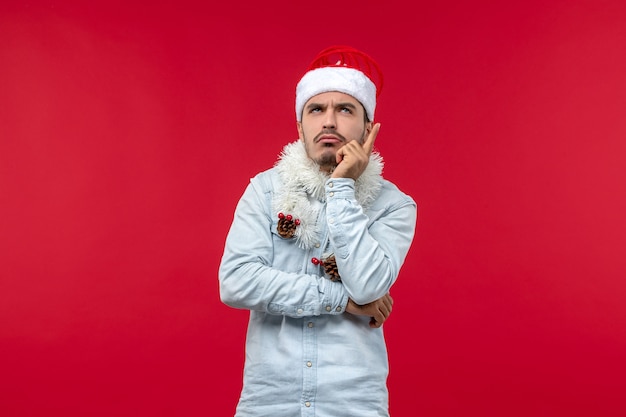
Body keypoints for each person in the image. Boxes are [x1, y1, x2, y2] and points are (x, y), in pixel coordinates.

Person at [218, 45, 417, 417]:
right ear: (299, 126)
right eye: (316, 109)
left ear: (368, 126)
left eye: (345, 109)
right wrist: (341, 300)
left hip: (353, 404)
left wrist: (341, 186)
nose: (329, 122)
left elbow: (370, 286)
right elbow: (236, 281)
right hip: (269, 402)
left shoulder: (395, 206)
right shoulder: (264, 190)